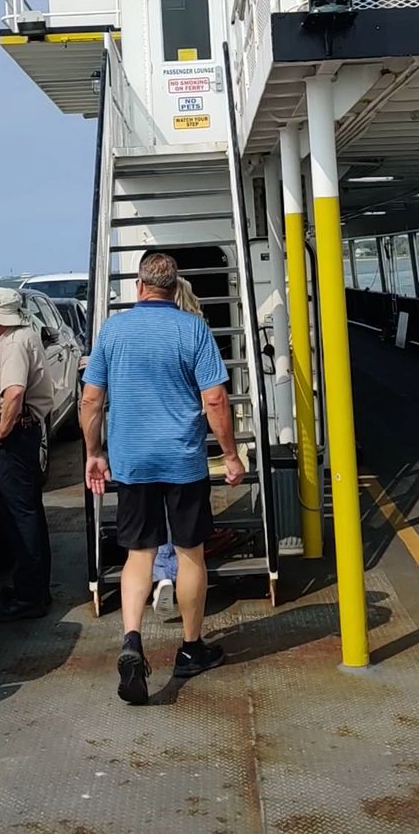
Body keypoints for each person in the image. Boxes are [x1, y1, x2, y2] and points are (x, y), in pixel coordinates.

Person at [81, 252, 245, 706]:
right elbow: (214, 400)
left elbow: (91, 399)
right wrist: (230, 455)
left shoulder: (113, 330)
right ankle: (190, 649)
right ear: (174, 288)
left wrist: (95, 453)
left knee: (139, 554)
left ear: (139, 286)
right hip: (182, 461)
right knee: (191, 553)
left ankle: (132, 640)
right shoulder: (193, 329)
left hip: (132, 463)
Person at [0, 287, 55, 621]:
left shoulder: (14, 344)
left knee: (21, 515)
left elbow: (15, 392)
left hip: (17, 436)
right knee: (29, 512)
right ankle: (34, 589)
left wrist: (0, 431)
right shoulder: (25, 335)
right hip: (26, 433)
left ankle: (29, 597)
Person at [152, 273, 206, 619]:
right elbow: (213, 394)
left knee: (155, 510)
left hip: (146, 436)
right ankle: (180, 579)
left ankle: (161, 572)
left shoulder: (147, 332)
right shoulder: (196, 330)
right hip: (186, 436)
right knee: (189, 529)